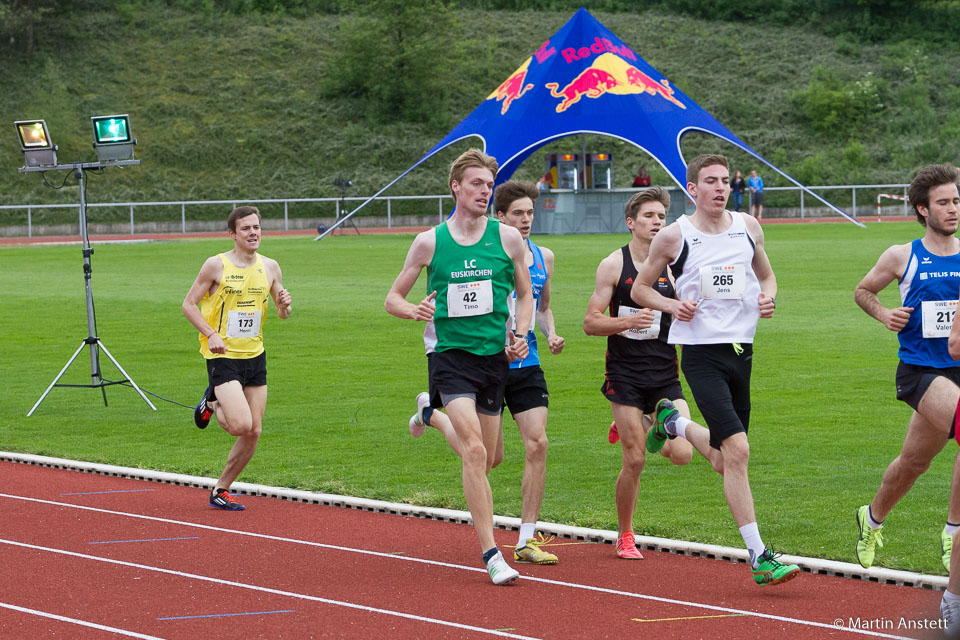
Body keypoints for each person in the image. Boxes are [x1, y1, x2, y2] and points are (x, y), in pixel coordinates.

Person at [630, 154, 800, 586]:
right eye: (711, 181)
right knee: (739, 451)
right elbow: (640, 288)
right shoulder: (674, 236)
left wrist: (769, 297)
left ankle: (674, 424)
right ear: (693, 189)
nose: (721, 188)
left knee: (726, 461)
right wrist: (672, 305)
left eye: (725, 180)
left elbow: (768, 277)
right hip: (701, 353)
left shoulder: (748, 226)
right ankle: (760, 556)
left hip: (742, 350)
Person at [385, 149, 533, 586]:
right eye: (476, 184)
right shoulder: (430, 241)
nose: (484, 191)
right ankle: (492, 553)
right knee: (473, 451)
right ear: (456, 187)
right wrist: (411, 310)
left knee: (491, 458)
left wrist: (521, 332)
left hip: (493, 359)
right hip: (449, 358)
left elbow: (525, 295)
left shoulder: (507, 239)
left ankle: (429, 414)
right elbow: (392, 297)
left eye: (489, 185)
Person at [409, 179, 563, 566]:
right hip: (469, 355)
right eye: (518, 214)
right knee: (478, 453)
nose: (526, 221)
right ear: (501, 217)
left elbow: (539, 303)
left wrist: (540, 333)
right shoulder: (470, 242)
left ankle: (526, 538)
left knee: (525, 447)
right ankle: (491, 551)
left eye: (530, 213)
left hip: (520, 358)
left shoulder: (542, 255)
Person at [584, 187, 722, 559]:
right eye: (649, 216)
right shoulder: (614, 265)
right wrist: (627, 319)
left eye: (662, 216)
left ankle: (650, 422)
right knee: (635, 459)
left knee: (682, 454)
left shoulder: (675, 267)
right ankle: (625, 534)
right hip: (625, 374)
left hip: (664, 374)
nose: (657, 222)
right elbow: (590, 323)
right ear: (631, 223)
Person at [853, 163, 960, 574]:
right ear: (922, 209)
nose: (953, 209)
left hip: (959, 370)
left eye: (956, 201)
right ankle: (954, 535)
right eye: (943, 203)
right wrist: (883, 314)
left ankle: (871, 518)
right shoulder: (903, 255)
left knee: (913, 464)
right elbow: (863, 291)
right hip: (921, 371)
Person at [182, 206, 293, 511]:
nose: (253, 232)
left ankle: (221, 489)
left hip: (255, 356)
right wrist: (211, 333)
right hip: (223, 356)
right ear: (232, 234)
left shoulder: (270, 266)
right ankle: (212, 402)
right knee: (240, 425)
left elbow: (282, 313)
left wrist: (284, 304)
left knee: (255, 430)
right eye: (245, 228)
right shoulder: (215, 266)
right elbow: (188, 304)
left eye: (256, 227)